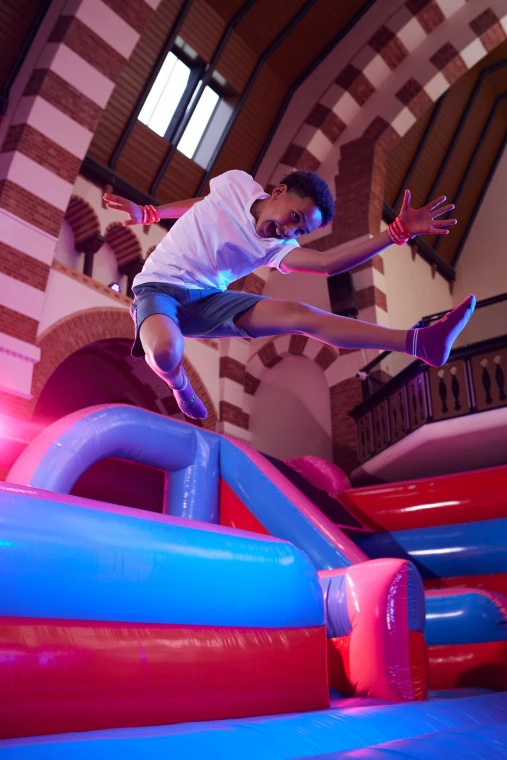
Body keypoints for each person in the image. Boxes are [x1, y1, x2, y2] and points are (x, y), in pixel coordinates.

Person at [104, 170, 475, 420]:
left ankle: (419, 343)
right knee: (166, 351)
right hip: (158, 288)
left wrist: (396, 233)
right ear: (278, 192)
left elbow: (328, 263)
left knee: (300, 314)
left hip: (209, 300)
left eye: (300, 230)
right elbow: (204, 202)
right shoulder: (236, 183)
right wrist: (152, 213)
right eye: (295, 217)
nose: (288, 231)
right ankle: (180, 385)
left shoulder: (276, 247)